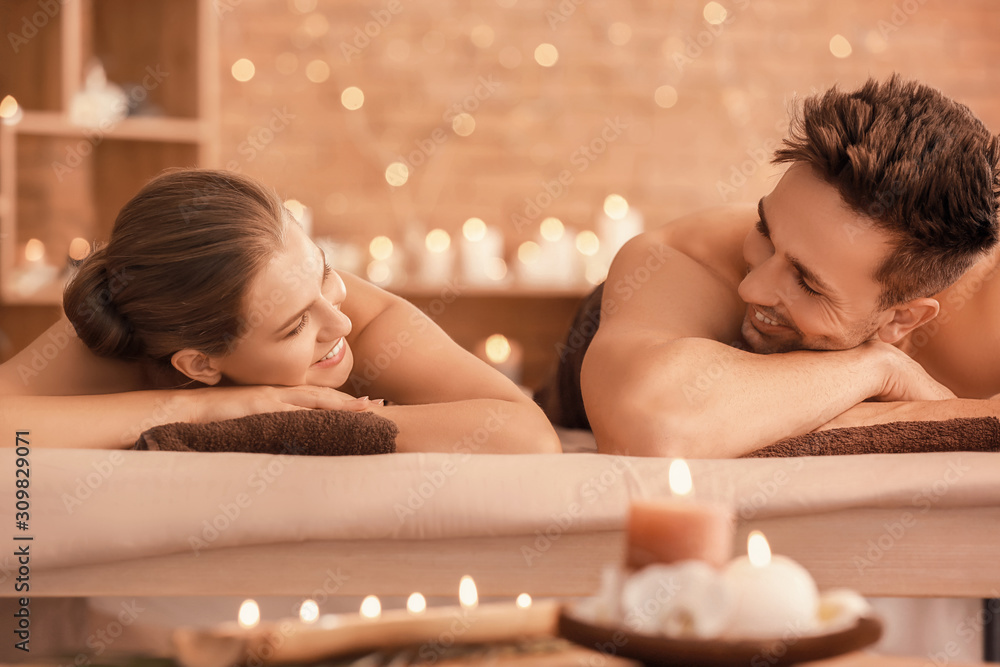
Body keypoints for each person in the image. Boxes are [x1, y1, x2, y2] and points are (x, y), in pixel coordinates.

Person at [537, 75, 1000, 457]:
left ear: (903, 318)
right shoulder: (677, 258)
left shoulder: (985, 317)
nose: (752, 288)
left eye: (808, 283)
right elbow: (652, 426)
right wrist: (878, 369)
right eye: (764, 229)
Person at [0, 169, 561, 454]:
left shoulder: (363, 319)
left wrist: (302, 423)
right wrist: (206, 411)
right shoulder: (118, 331)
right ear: (198, 364)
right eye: (295, 325)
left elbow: (527, 435)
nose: (338, 323)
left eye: (323, 272)